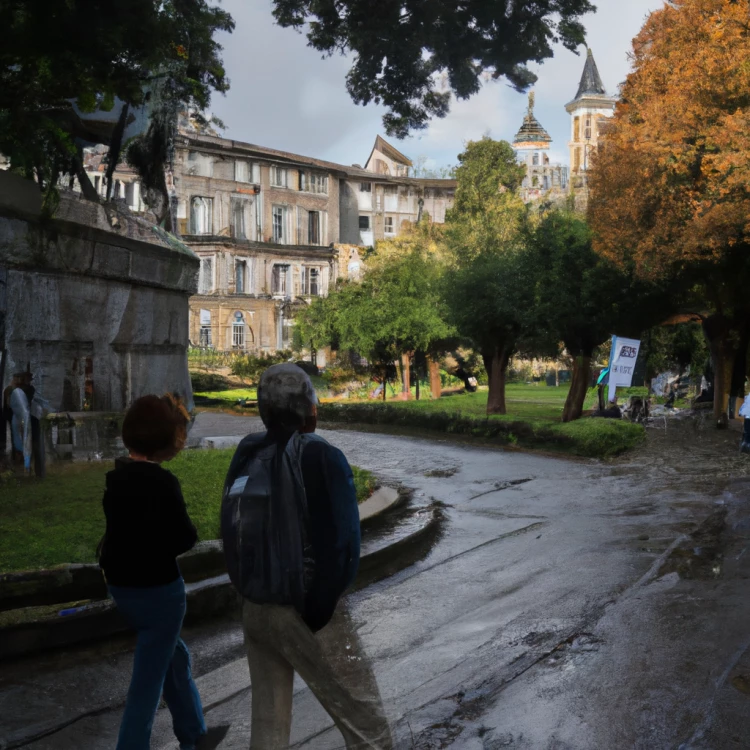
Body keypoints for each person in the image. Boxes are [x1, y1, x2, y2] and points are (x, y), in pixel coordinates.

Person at [222, 363, 391, 749]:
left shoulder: (249, 450)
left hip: (255, 607)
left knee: (268, 724)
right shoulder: (322, 456)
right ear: (307, 408)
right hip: (307, 611)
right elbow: (343, 544)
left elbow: (231, 525)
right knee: (365, 721)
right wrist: (318, 609)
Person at [99, 394, 207, 750]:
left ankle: (194, 734)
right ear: (168, 441)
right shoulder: (163, 483)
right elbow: (185, 536)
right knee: (146, 686)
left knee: (174, 659)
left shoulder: (116, 480)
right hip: (160, 593)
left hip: (123, 588)